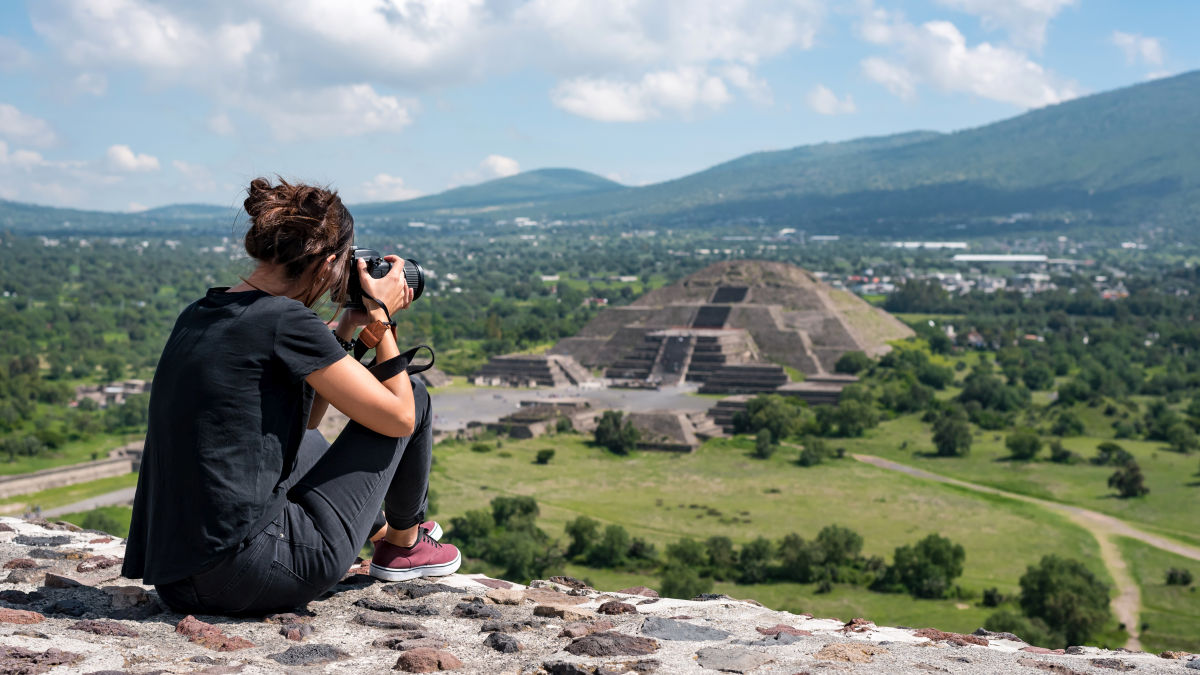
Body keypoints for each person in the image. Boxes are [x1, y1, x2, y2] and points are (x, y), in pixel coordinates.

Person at [121, 178, 460, 616]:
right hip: (254, 573)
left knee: (307, 439)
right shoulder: (285, 320)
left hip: (179, 577)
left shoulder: (203, 311)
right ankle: (403, 544)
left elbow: (310, 418)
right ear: (327, 265)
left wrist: (346, 331)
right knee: (411, 390)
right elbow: (399, 418)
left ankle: (377, 530)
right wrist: (382, 316)